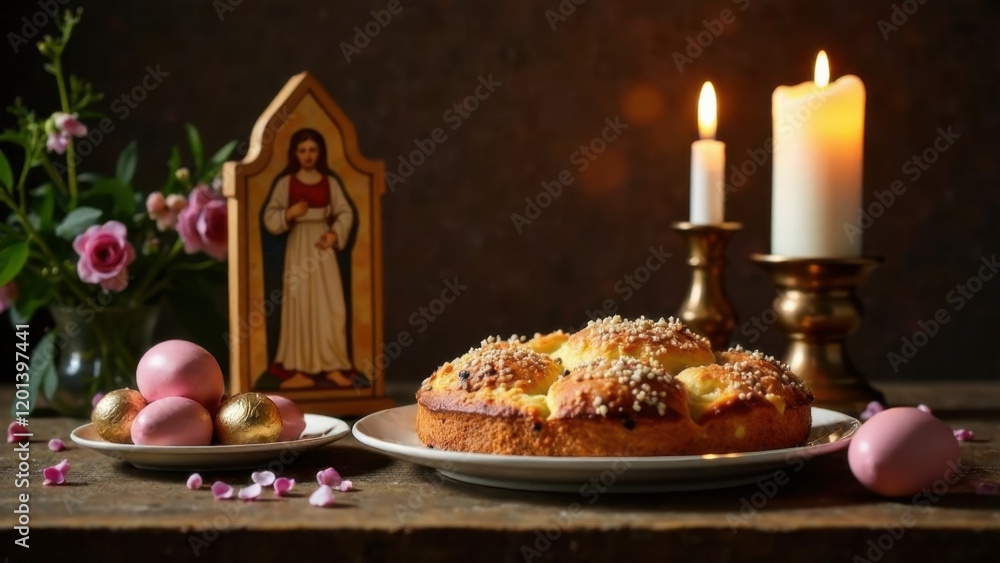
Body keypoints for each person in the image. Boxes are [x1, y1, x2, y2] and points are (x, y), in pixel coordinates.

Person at [263, 128, 355, 389]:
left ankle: (333, 366)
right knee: (300, 306)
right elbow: (271, 217)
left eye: (312, 150)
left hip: (323, 249)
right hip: (298, 247)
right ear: (295, 153)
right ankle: (300, 370)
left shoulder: (329, 182)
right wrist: (290, 213)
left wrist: (334, 234)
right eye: (302, 150)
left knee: (331, 306)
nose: (307, 155)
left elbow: (345, 212)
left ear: (320, 153)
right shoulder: (286, 183)